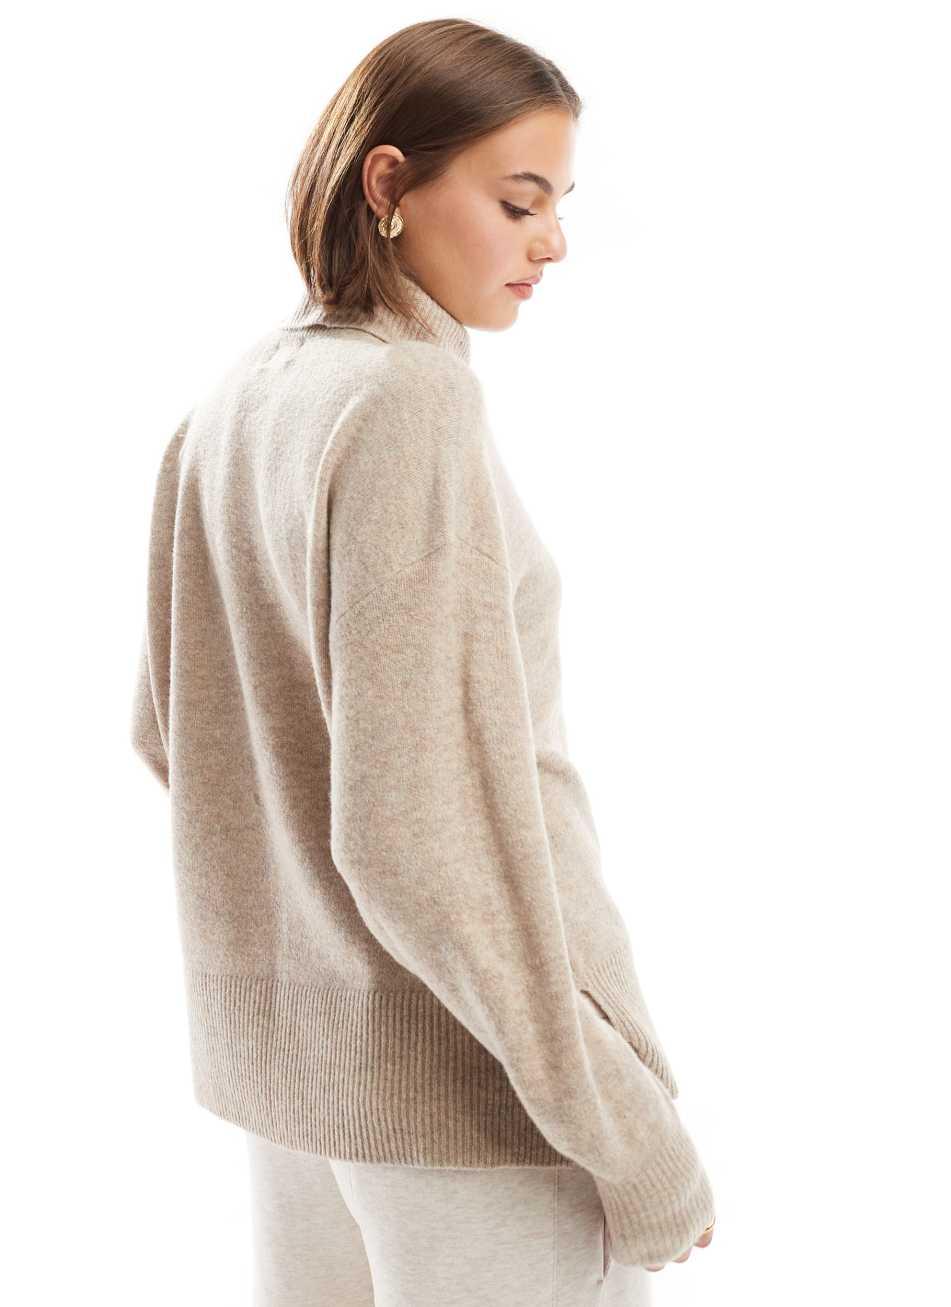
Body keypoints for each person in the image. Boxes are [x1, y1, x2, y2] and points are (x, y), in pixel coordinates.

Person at [130, 18, 716, 1305]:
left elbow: (170, 733)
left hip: (297, 1098)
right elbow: (416, 833)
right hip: (473, 1096)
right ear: (388, 182)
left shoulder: (232, 402)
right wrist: (624, 1124)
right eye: (518, 201)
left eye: (558, 204)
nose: (551, 242)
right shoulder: (407, 400)